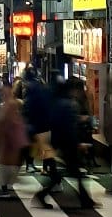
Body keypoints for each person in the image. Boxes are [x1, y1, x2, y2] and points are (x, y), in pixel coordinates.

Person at [34, 78, 99, 209]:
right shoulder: (69, 104)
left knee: (69, 173)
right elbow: (69, 127)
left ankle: (84, 199)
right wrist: (77, 143)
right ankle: (84, 200)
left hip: (55, 141)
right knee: (74, 172)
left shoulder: (56, 102)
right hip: (66, 143)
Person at [0, 80, 29, 198]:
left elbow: (5, 121)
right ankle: (6, 186)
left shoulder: (10, 105)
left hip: (10, 140)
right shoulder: (11, 104)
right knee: (6, 165)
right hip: (11, 140)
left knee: (5, 165)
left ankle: (4, 189)